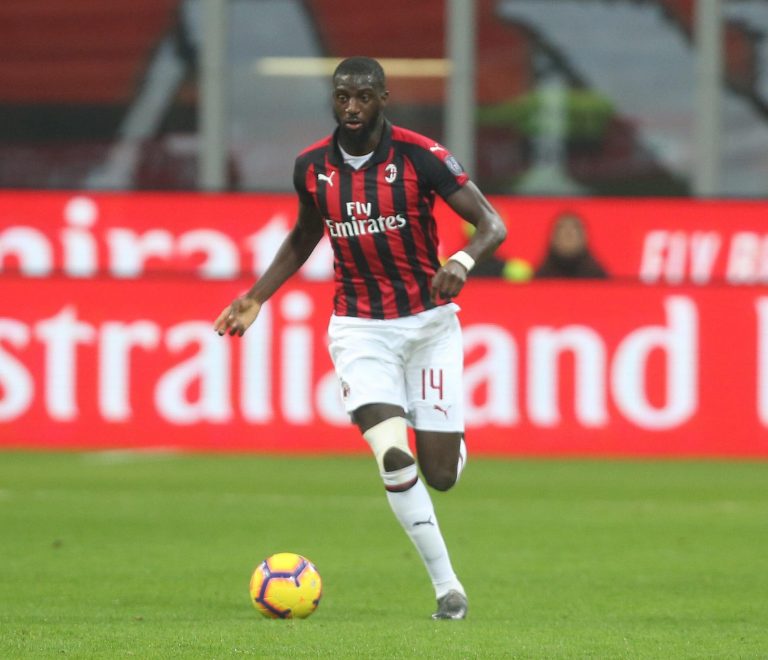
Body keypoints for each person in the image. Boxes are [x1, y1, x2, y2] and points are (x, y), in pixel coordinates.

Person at [214, 56, 506, 620]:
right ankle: (448, 589)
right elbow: (304, 236)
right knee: (393, 456)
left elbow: (492, 224)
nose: (352, 107)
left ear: (383, 99)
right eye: (342, 96)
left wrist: (463, 260)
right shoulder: (311, 168)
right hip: (359, 328)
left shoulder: (421, 156)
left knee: (440, 475)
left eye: (363, 97)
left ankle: (448, 438)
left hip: (428, 326)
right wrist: (256, 297)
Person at [533, 211, 608, 279]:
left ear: (584, 237)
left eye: (575, 229)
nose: (568, 233)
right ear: (552, 237)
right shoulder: (539, 279)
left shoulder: (598, 278)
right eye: (562, 228)